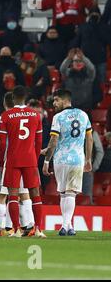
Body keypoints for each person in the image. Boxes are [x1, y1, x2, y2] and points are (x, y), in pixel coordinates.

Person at [42, 89, 93, 236]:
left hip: (61, 159)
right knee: (70, 193)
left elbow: (54, 140)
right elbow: (89, 139)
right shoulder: (84, 115)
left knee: (64, 193)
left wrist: (46, 161)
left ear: (65, 100)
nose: (54, 103)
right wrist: (88, 159)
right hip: (77, 158)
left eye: (56, 100)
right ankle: (68, 225)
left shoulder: (58, 117)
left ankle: (65, 226)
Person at [0, 86, 45, 238]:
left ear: (13, 97)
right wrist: (35, 158)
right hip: (30, 158)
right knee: (35, 193)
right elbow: (39, 141)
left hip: (13, 159)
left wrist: (1, 161)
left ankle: (16, 229)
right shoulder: (35, 115)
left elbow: (2, 143)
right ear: (26, 97)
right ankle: (38, 229)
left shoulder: (6, 115)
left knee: (13, 194)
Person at [0, 92, 34, 236]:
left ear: (5, 104)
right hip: (26, 159)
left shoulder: (3, 117)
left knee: (2, 195)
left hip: (9, 161)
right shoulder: (28, 116)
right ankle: (29, 226)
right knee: (24, 194)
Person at [81, 129, 104, 203]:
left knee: (86, 196)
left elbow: (100, 152)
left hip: (86, 169)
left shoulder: (93, 133)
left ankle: (87, 213)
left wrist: (93, 168)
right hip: (73, 168)